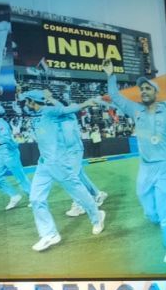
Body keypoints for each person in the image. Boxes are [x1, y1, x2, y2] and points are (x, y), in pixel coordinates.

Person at [107, 65, 166, 264]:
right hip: (145, 167)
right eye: (142, 89)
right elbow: (116, 97)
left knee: (165, 214)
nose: (143, 91)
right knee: (149, 209)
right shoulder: (136, 110)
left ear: (156, 92)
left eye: (148, 88)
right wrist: (110, 75)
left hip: (165, 166)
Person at [24, 86, 106, 253]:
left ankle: (97, 216)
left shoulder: (49, 111)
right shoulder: (36, 116)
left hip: (59, 162)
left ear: (32, 102)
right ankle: (49, 234)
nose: (24, 103)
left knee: (78, 191)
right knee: (36, 199)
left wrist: (85, 104)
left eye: (27, 100)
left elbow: (67, 109)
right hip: (43, 163)